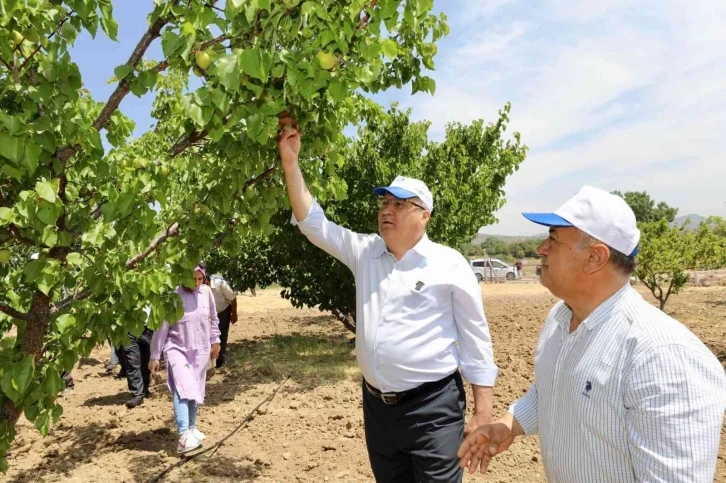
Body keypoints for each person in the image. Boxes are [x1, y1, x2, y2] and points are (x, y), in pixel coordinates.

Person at [278, 118, 498, 482]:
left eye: (399, 204)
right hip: (378, 410)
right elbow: (313, 223)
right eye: (384, 202)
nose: (386, 210)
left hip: (434, 410)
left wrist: (482, 411)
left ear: (424, 215)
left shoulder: (449, 264)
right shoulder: (366, 252)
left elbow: (476, 341)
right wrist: (290, 163)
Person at [458, 186, 726, 482]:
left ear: (595, 258)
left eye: (554, 239)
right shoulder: (559, 319)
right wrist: (509, 424)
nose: (541, 249)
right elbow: (552, 390)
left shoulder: (663, 356)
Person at [149, 264, 221, 454]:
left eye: (200, 279)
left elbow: (213, 319)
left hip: (200, 350)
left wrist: (216, 341)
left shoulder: (206, 293)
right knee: (183, 389)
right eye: (193, 279)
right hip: (177, 348)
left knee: (195, 388)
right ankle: (183, 436)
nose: (196, 283)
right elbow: (161, 327)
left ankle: (191, 428)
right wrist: (154, 355)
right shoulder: (173, 296)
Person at [121, 307, 154, 409]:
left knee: (146, 360)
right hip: (128, 328)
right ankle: (137, 394)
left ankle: (144, 389)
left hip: (149, 328)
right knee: (132, 362)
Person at [207, 271, 238, 368]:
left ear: (207, 281)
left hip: (222, 312)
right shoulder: (197, 287)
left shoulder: (220, 284)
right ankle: (209, 362)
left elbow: (232, 298)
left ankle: (220, 361)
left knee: (222, 336)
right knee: (207, 337)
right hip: (208, 316)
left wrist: (234, 313)